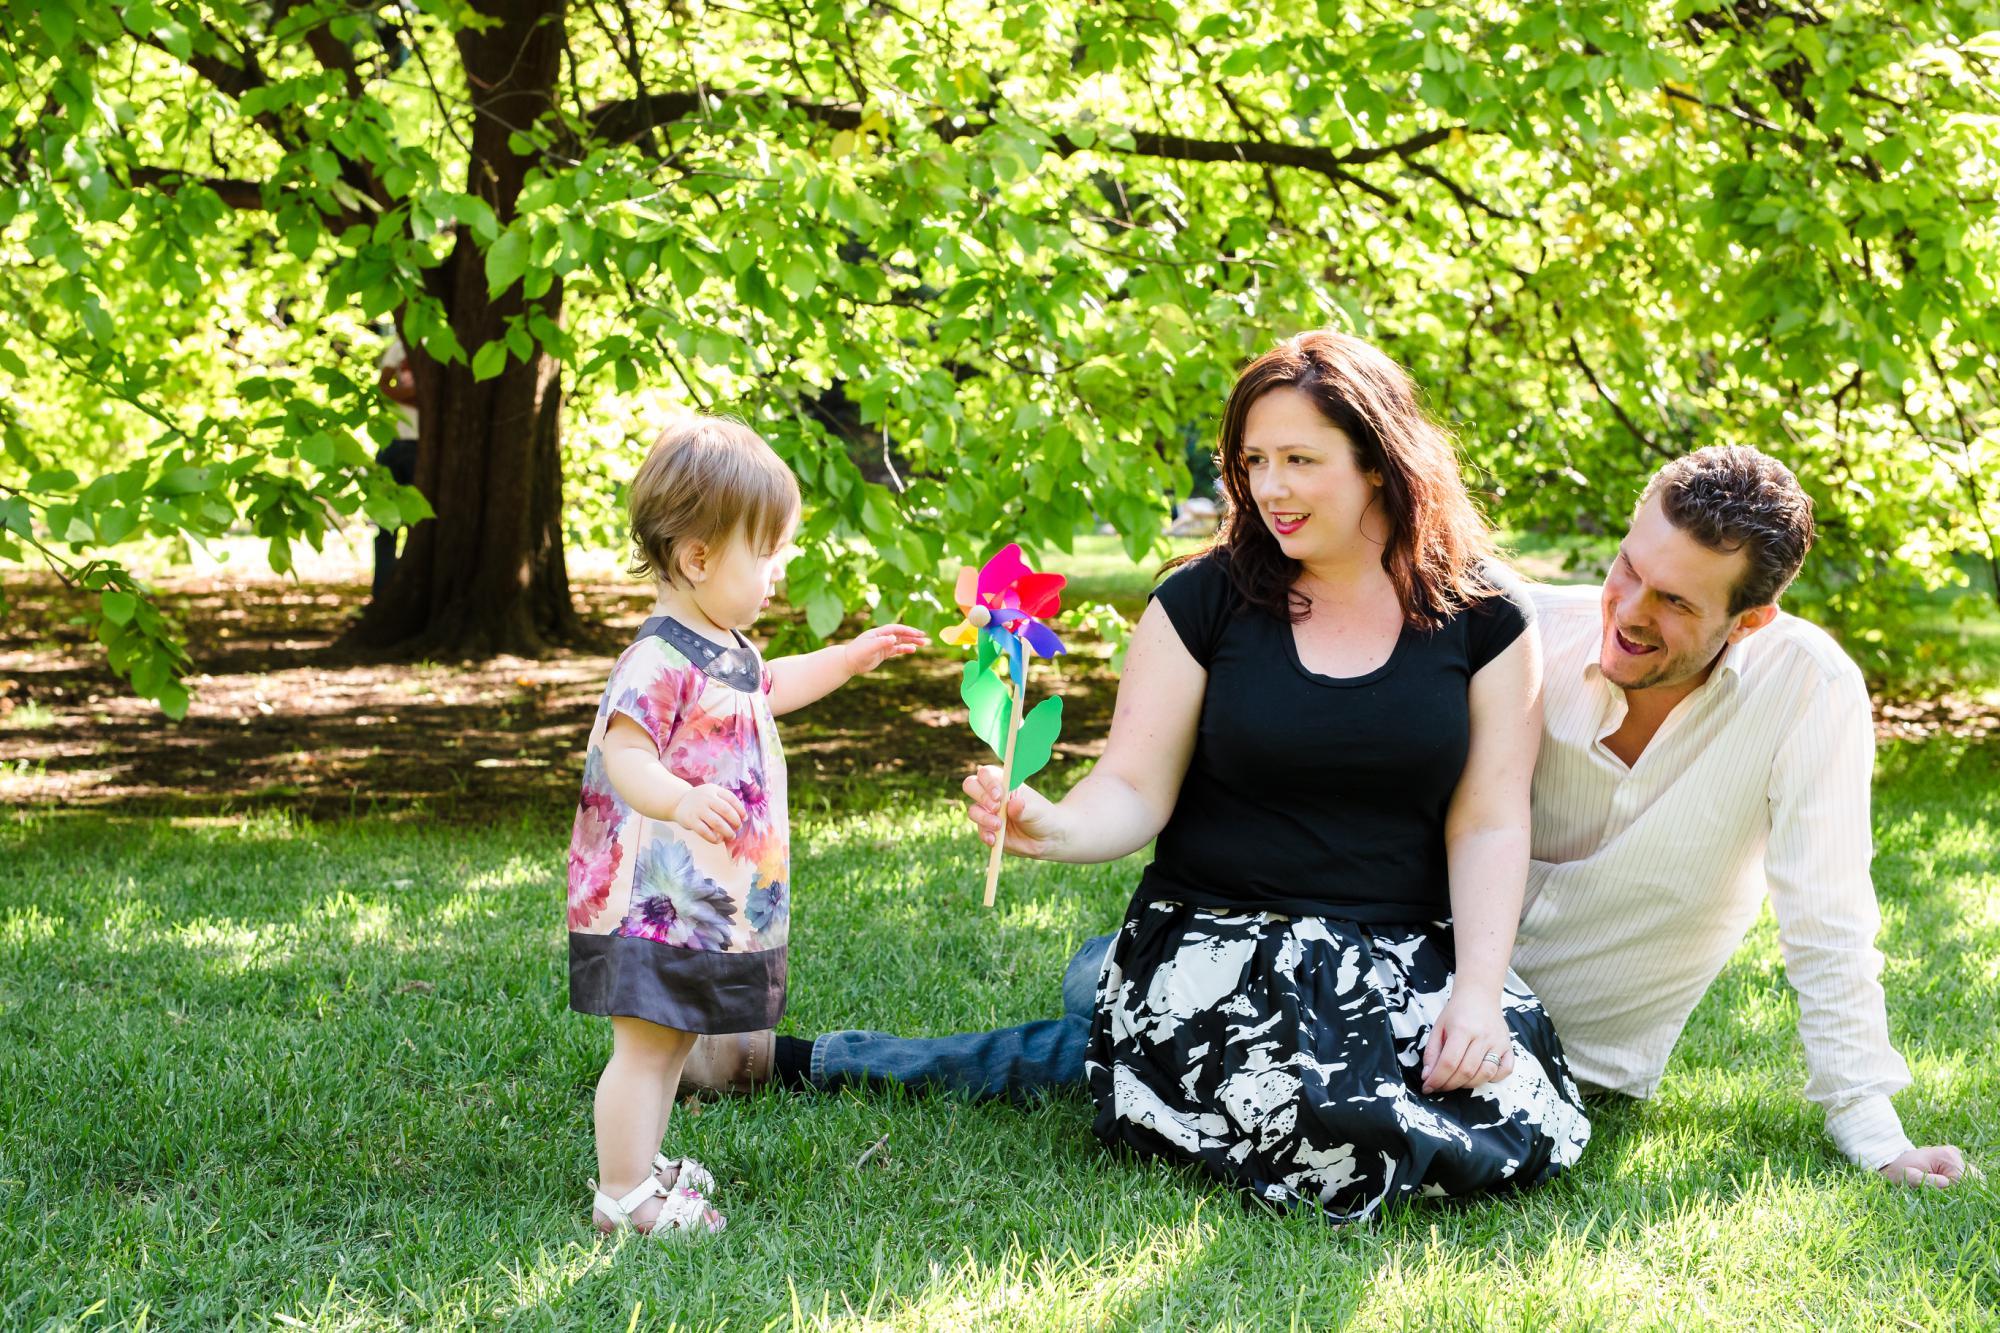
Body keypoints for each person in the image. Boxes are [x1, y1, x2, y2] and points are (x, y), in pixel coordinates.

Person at [686, 445, 1970, 1191]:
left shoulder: (1805, 693)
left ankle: (800, 1056)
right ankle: (1069, 1009)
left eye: (1674, 604)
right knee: (1157, 1020)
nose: (1626, 608)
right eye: (1625, 563)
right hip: (1379, 967)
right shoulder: (1532, 635)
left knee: (1112, 1048)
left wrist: (1869, 1126)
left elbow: (1827, 916)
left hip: (1546, 1040)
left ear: (1750, 619)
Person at [565, 415, 928, 1236]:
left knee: (674, 1036)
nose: (780, 569)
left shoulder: (722, 647)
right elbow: (627, 754)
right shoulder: (658, 659)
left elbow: (773, 683)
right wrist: (678, 798)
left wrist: (849, 657)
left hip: (697, 905)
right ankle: (622, 1194)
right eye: (766, 553)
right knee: (648, 1046)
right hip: (648, 902)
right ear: (697, 557)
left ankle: (644, 1166)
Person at [372, 335, 420, 600]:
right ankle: (383, 592)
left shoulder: (438, 343)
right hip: (391, 442)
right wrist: (411, 396)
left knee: (417, 522)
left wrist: (408, 397)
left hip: (421, 443)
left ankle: (410, 590)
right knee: (386, 523)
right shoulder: (400, 345)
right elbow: (384, 385)